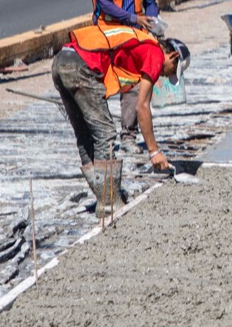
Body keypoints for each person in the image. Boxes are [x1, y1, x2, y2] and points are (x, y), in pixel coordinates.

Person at [51, 21, 188, 215]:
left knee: (85, 133)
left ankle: (103, 197)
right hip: (82, 65)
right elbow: (142, 106)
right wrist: (154, 152)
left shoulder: (143, 43)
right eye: (172, 71)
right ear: (173, 55)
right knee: (105, 131)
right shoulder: (155, 53)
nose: (167, 76)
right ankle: (109, 203)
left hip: (61, 61)